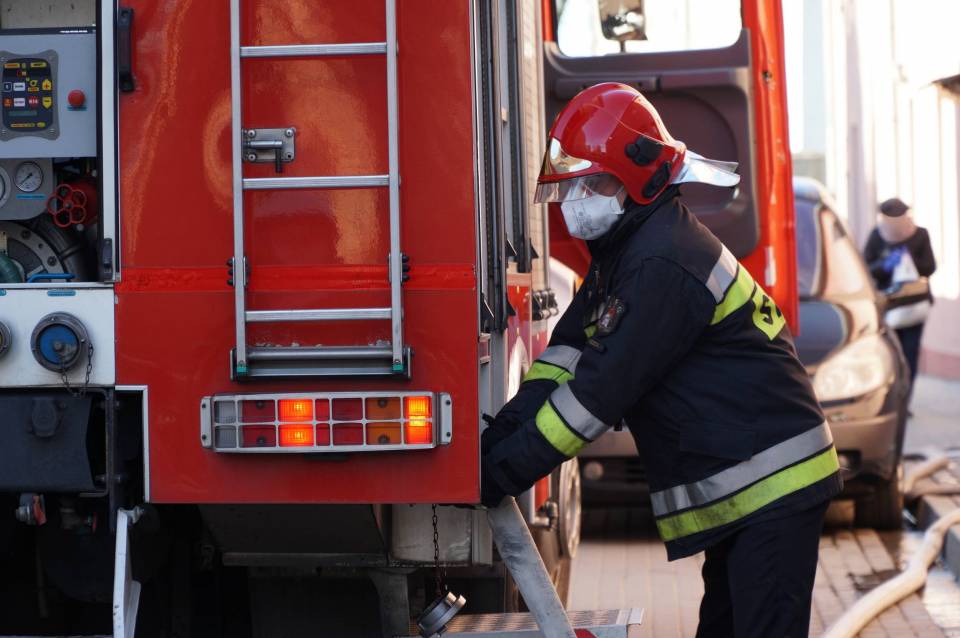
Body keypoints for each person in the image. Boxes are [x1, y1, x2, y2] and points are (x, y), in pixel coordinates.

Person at [480, 83, 842, 637]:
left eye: (588, 182)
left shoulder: (660, 264)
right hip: (750, 484)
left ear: (636, 178)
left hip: (776, 483)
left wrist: (499, 473)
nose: (576, 199)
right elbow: (561, 361)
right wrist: (495, 441)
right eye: (570, 185)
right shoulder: (624, 255)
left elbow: (593, 398)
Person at [864, 198, 937, 383]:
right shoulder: (877, 236)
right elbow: (867, 269)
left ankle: (906, 400)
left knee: (910, 354)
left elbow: (930, 267)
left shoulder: (920, 235)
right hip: (888, 306)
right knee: (890, 355)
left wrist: (909, 259)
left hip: (915, 305)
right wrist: (885, 265)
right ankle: (895, 396)